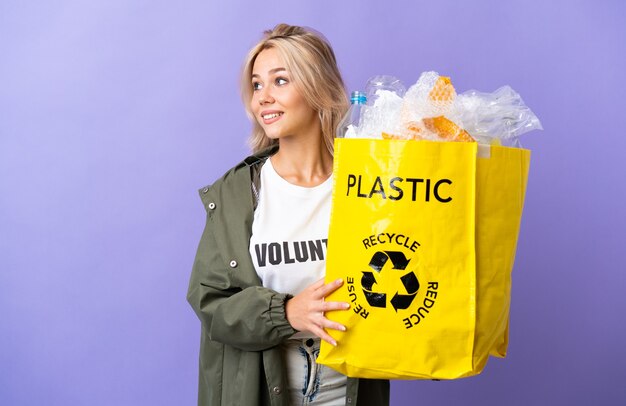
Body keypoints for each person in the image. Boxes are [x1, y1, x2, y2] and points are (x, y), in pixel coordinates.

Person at [187, 24, 389, 406]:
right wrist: (286, 312)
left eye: (280, 80)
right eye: (257, 85)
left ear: (318, 88)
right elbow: (211, 303)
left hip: (349, 394)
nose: (263, 98)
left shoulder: (366, 184)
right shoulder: (237, 192)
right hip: (261, 394)